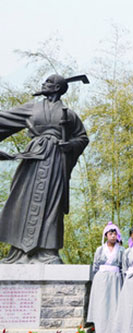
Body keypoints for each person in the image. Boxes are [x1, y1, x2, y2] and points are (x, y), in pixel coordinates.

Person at [0, 74, 89, 264]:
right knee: (21, 200)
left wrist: (69, 146)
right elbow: (3, 119)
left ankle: (48, 252)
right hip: (33, 159)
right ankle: (18, 252)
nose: (43, 84)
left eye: (48, 82)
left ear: (57, 88)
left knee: (52, 204)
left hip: (56, 161)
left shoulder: (69, 114)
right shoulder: (32, 108)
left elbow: (82, 138)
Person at [87, 222, 124, 333]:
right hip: (101, 280)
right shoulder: (100, 249)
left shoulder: (122, 250)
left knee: (114, 308)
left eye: (115, 233)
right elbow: (95, 266)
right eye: (110, 233)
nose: (113, 236)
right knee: (101, 308)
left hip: (115, 279)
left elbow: (123, 266)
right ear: (106, 235)